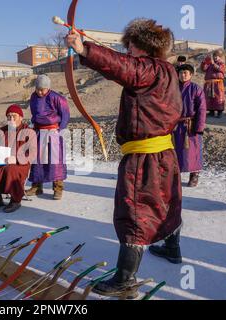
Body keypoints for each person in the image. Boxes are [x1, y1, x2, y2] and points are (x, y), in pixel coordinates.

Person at [66, 18, 183, 298]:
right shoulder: (167, 71)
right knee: (166, 202)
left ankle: (125, 280)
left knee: (134, 213)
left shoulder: (147, 69)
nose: (127, 49)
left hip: (144, 158)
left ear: (143, 45)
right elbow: (126, 66)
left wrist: (84, 49)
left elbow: (123, 67)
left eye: (130, 44)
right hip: (164, 154)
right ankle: (172, 247)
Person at [0, 105, 33, 213]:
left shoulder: (28, 131)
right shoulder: (2, 130)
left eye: (14, 116)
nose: (11, 119)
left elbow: (32, 152)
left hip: (20, 163)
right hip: (2, 161)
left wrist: (17, 159)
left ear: (21, 117)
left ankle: (15, 200)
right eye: (9, 116)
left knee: (11, 170)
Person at [25, 75, 70, 200]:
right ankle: (36, 187)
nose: (40, 92)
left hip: (53, 132)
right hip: (39, 132)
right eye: (38, 89)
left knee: (55, 161)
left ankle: (58, 189)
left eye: (43, 89)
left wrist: (59, 130)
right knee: (37, 160)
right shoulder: (34, 97)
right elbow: (35, 113)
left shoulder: (57, 98)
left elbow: (65, 115)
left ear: (48, 88)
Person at [173, 64, 207, 188]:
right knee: (176, 151)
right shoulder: (173, 88)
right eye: (181, 73)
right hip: (176, 125)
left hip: (190, 125)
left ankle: (194, 175)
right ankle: (175, 175)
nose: (183, 75)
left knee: (193, 151)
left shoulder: (196, 89)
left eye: (185, 73)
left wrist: (199, 128)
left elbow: (202, 109)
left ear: (191, 75)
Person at [201, 50, 226, 118]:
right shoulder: (209, 64)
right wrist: (204, 62)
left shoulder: (221, 63)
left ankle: (219, 112)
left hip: (217, 83)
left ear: (220, 57)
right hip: (209, 84)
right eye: (214, 56)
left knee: (218, 97)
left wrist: (213, 64)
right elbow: (203, 69)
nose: (215, 57)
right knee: (209, 98)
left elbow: (220, 69)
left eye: (217, 56)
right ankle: (211, 112)